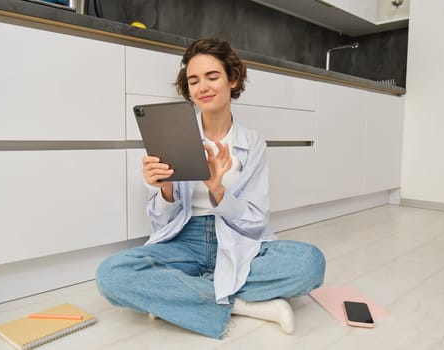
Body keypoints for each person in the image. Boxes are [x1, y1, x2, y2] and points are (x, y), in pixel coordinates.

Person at [96, 38, 325, 339]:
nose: (202, 87)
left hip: (237, 239)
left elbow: (255, 220)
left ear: (233, 79)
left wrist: (218, 189)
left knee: (310, 264)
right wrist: (164, 189)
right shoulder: (174, 136)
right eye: (193, 80)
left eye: (212, 77)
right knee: (110, 274)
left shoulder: (252, 143)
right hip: (185, 241)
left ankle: (180, 296)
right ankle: (241, 303)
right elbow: (162, 223)